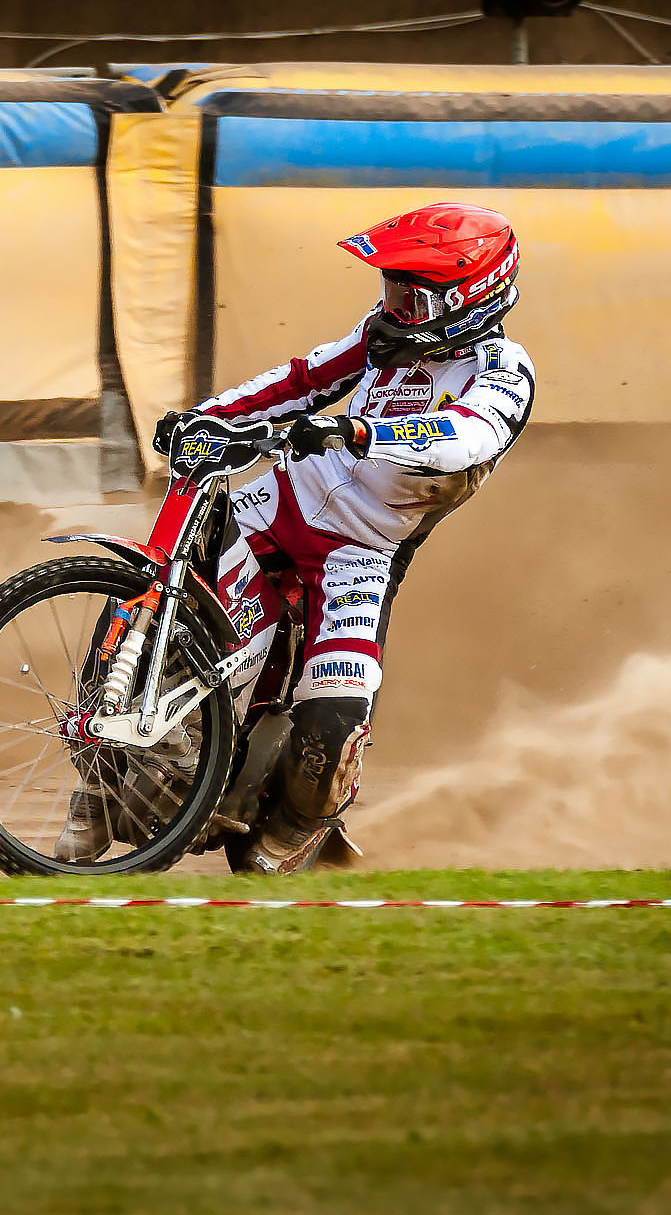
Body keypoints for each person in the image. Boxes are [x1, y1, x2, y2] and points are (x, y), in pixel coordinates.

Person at [68, 202, 537, 874]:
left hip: (363, 554)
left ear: (466, 297)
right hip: (281, 501)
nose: (394, 306)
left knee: (334, 724)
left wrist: (361, 432)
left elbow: (466, 436)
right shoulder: (378, 336)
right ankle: (102, 779)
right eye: (392, 289)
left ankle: (284, 834)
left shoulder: (503, 370)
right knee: (167, 584)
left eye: (412, 295)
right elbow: (300, 381)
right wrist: (204, 421)